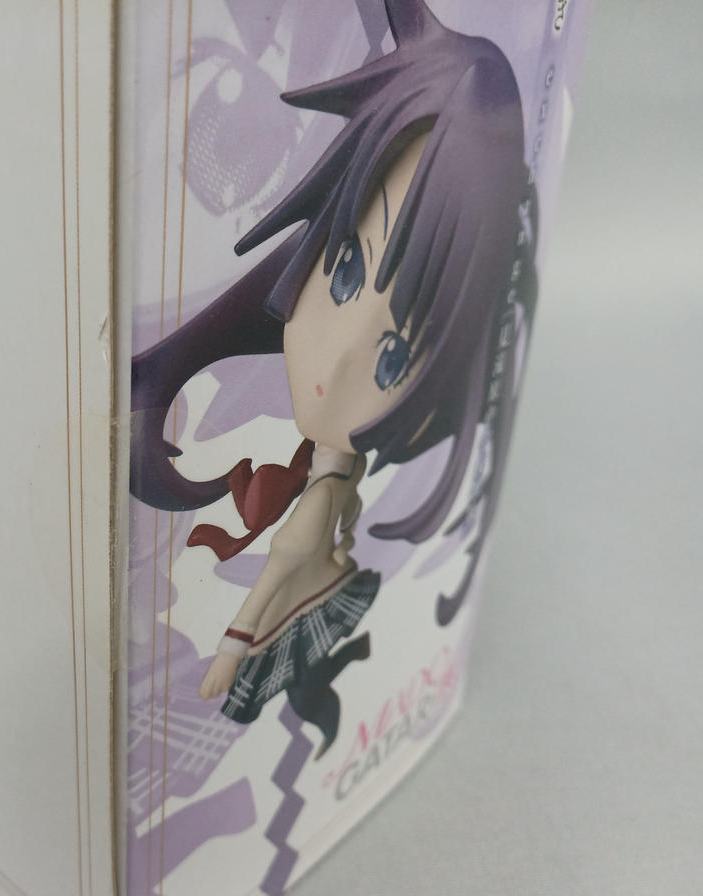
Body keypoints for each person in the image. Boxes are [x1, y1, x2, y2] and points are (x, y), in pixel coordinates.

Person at [129, 0, 538, 756]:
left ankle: (254, 680)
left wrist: (228, 654)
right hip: (324, 536)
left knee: (295, 559)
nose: (340, 362)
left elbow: (279, 570)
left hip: (326, 560)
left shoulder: (328, 484)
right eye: (344, 268)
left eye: (393, 359)